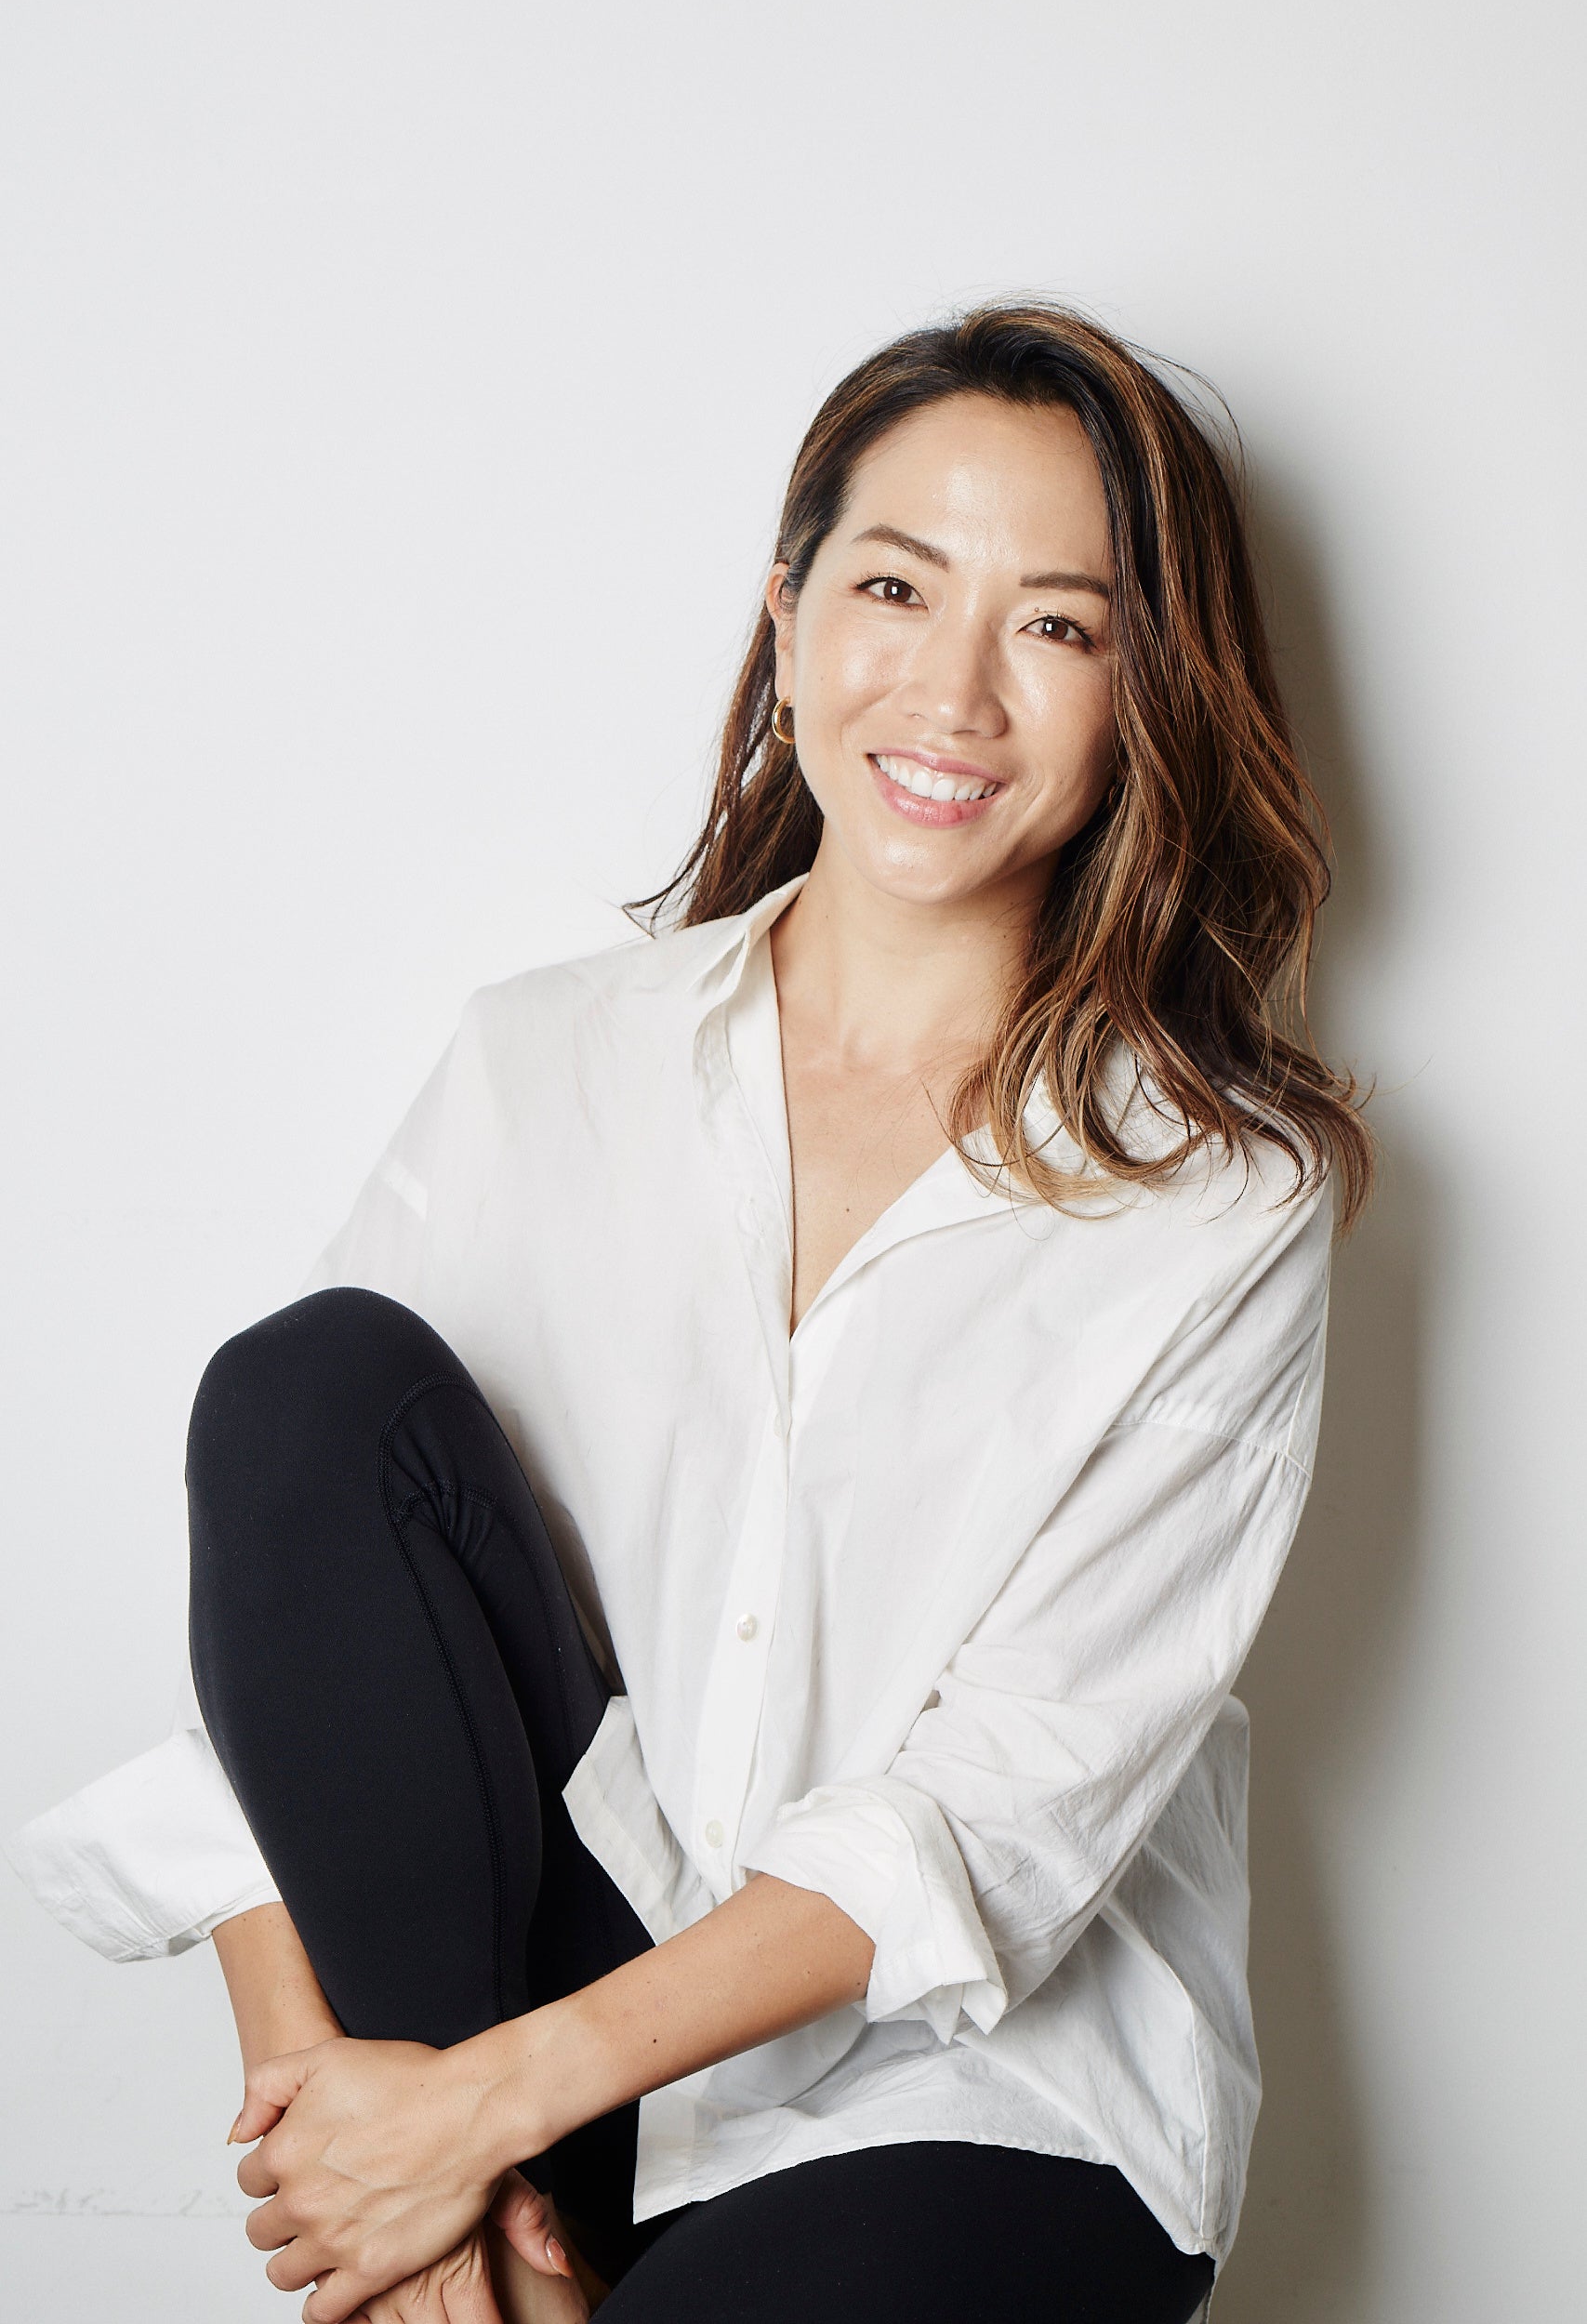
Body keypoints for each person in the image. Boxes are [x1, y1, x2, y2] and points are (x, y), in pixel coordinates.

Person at [6, 299, 1372, 2324]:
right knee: (305, 1392)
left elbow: (999, 1810)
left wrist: (474, 2111)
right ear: (787, 613)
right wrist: (367, 2148)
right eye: (895, 587)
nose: (952, 690)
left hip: (978, 2088)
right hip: (531, 2038)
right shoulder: (546, 1059)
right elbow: (306, 1628)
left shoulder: (1218, 1194)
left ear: (1143, 695)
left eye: (1056, 626)